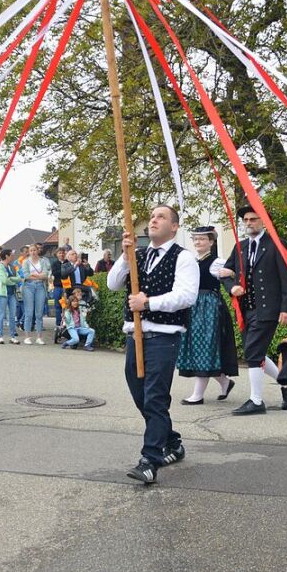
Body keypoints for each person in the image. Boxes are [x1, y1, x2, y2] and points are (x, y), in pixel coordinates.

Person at [107, 205, 198, 484]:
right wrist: (125, 257)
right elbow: (112, 284)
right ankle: (171, 441)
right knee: (141, 397)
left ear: (174, 227)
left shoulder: (184, 258)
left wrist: (148, 302)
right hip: (134, 336)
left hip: (163, 337)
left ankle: (149, 460)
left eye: (161, 217)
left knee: (155, 398)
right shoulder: (139, 254)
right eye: (152, 216)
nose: (154, 220)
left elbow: (186, 296)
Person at [222, 206, 287, 415]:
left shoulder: (276, 244)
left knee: (253, 353)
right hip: (246, 309)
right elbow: (224, 273)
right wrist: (232, 287)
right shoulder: (240, 247)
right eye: (245, 220)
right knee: (258, 353)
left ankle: (256, 401)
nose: (248, 223)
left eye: (253, 219)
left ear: (263, 221)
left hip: (268, 308)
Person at [178, 226, 238, 404]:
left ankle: (198, 395)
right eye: (196, 239)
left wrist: (233, 276)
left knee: (204, 346)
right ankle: (225, 382)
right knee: (197, 347)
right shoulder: (191, 261)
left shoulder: (217, 262)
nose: (198, 242)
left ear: (211, 242)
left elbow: (231, 277)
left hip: (209, 308)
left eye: (202, 239)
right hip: (193, 306)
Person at [22, 243, 51, 345]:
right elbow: (26, 275)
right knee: (29, 312)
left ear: (37, 251)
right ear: (29, 252)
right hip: (28, 286)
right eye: (31, 250)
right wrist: (39, 275)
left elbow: (46, 275)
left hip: (40, 287)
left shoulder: (43, 261)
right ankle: (27, 336)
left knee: (39, 313)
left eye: (34, 250)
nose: (33, 252)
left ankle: (39, 337)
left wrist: (35, 275)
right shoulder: (26, 262)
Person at [0, 247, 20, 345]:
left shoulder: (11, 266)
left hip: (12, 293)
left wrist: (11, 279)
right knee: (2, 314)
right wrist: (13, 280)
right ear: (7, 256)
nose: (12, 256)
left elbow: (19, 278)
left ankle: (12, 336)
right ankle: (0, 336)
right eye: (11, 254)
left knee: (12, 315)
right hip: (2, 293)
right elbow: (4, 280)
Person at [50, 247, 67, 327]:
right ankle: (58, 324)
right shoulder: (54, 263)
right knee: (58, 306)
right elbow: (55, 273)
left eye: (63, 253)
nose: (62, 254)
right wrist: (63, 269)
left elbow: (69, 272)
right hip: (58, 287)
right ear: (57, 254)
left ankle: (66, 323)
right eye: (60, 253)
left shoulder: (68, 262)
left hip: (67, 287)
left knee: (67, 306)